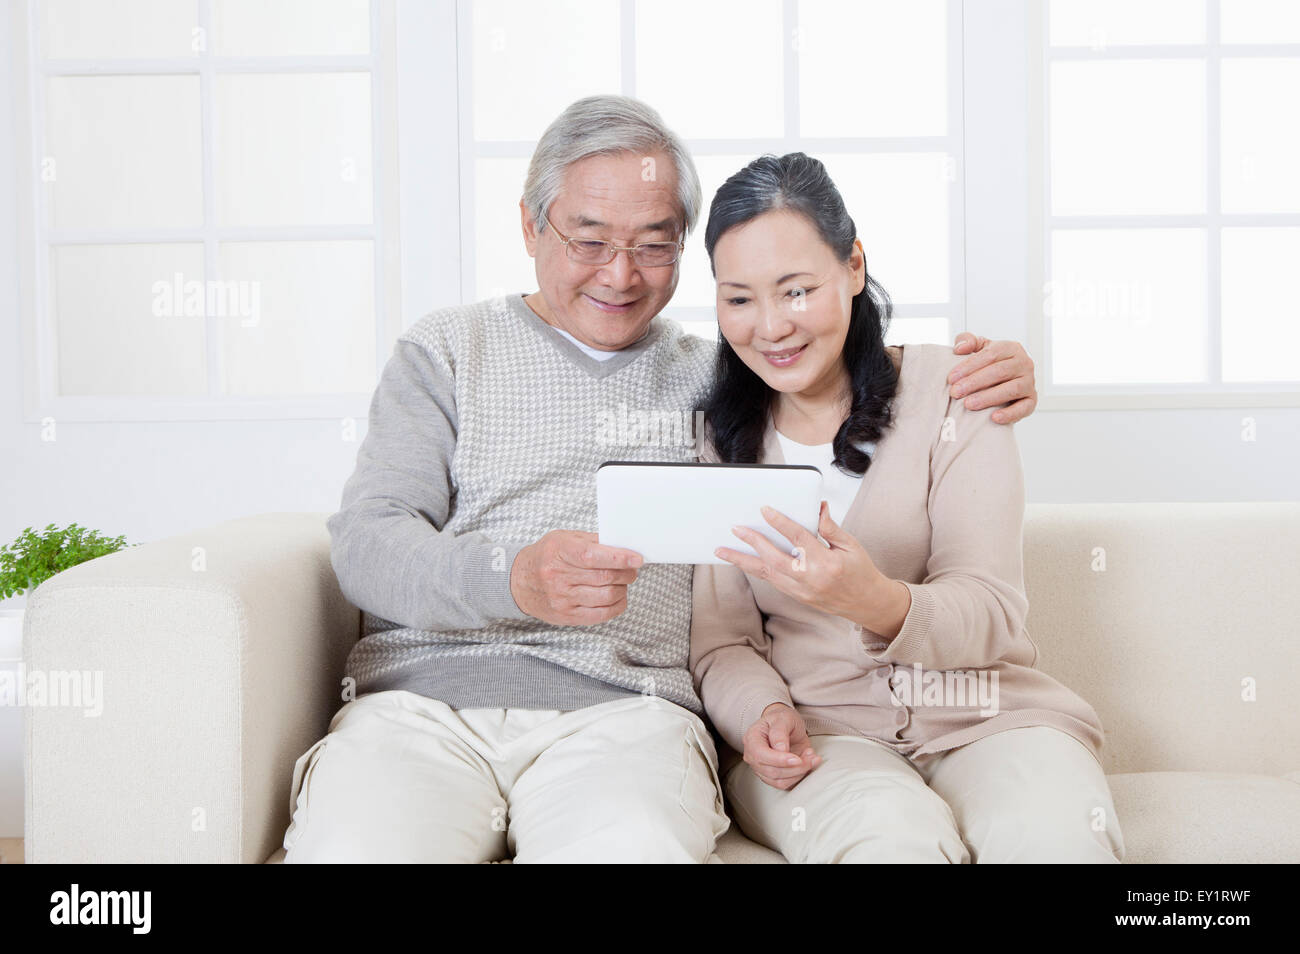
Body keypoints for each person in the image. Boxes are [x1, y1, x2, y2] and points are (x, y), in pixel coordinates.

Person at [283, 96, 1042, 863]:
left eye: (655, 246)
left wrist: (985, 374)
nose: (620, 275)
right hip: (421, 707)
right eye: (589, 240)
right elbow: (367, 546)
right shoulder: (447, 351)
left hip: (629, 716)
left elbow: (833, 357)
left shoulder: (721, 377)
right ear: (528, 226)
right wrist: (513, 578)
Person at [689, 151, 1124, 863]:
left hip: (989, 717)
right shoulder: (718, 437)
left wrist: (880, 602)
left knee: (1053, 837)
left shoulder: (960, 393)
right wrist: (761, 714)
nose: (770, 327)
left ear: (854, 266)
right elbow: (724, 640)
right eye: (739, 298)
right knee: (891, 844)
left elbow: (988, 606)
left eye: (796, 290)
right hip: (822, 737)